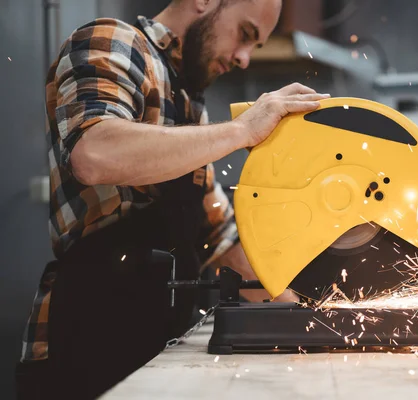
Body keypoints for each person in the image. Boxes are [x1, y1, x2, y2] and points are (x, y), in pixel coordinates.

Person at [15, 0, 330, 398]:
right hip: (81, 339)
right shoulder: (113, 40)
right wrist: (242, 130)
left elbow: (223, 241)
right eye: (246, 35)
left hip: (149, 343)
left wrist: (320, 321)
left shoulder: (188, 106)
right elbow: (94, 152)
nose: (244, 58)